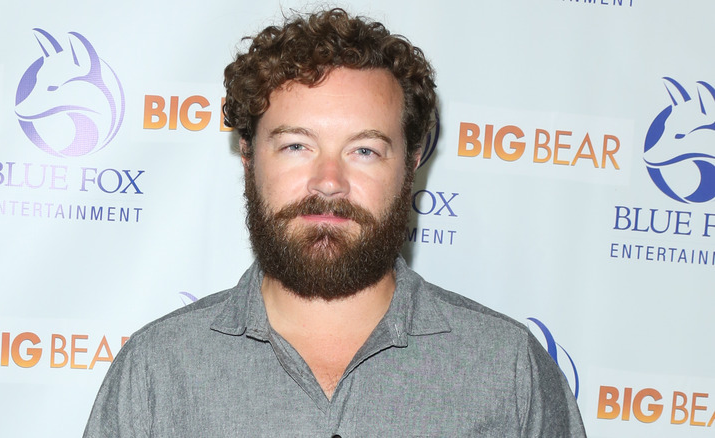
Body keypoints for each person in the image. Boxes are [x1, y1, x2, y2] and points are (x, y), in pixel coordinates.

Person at [83, 8, 586, 437]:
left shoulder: (509, 371)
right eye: (296, 145)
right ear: (247, 157)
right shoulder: (156, 371)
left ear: (410, 164)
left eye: (364, 150)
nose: (328, 181)